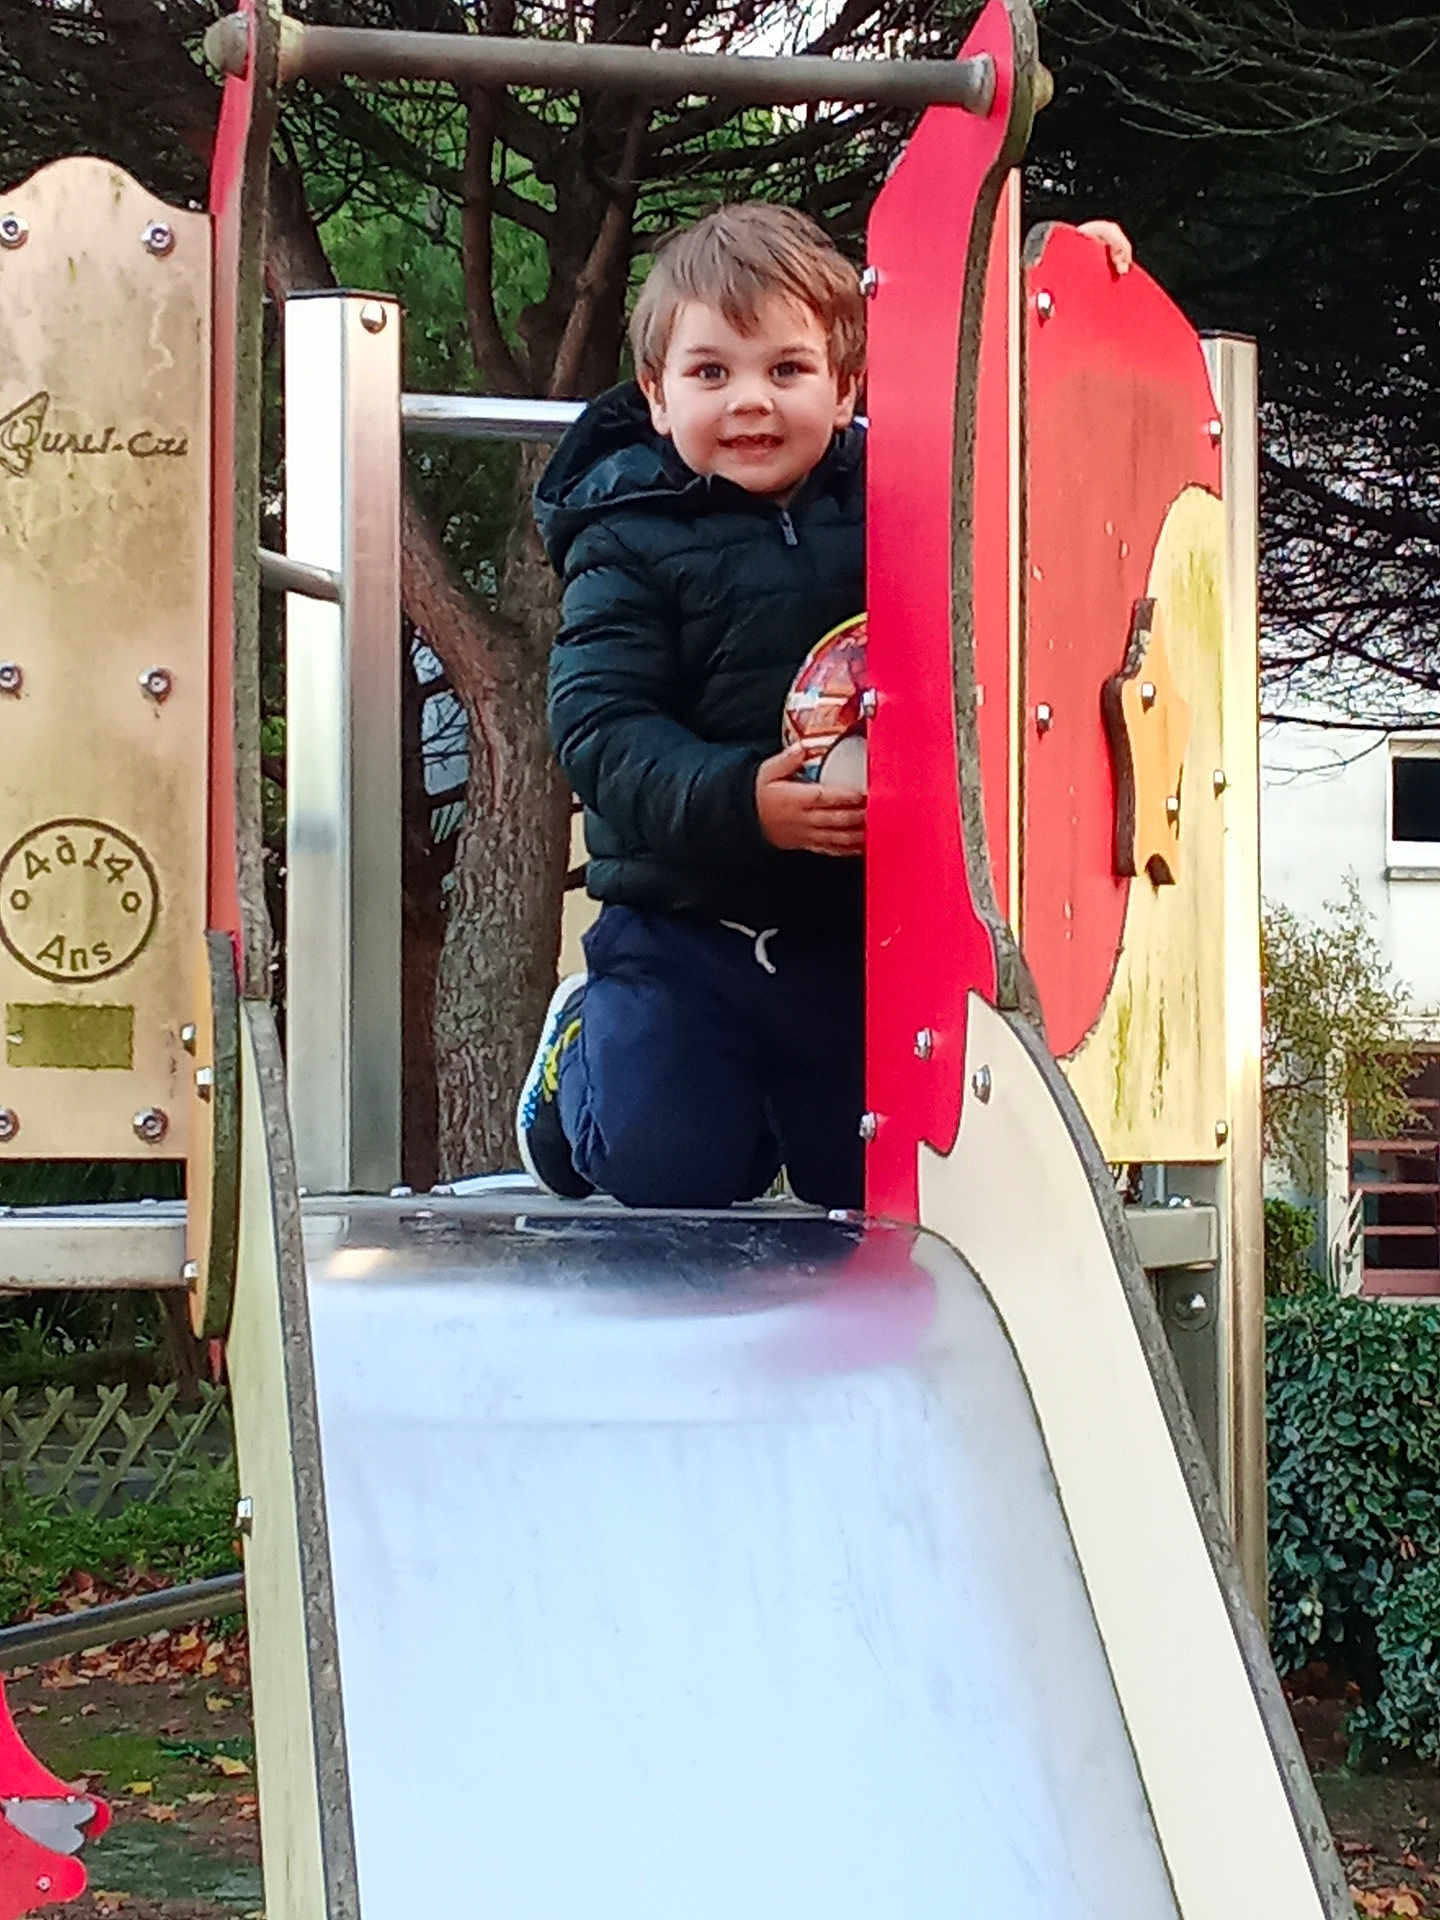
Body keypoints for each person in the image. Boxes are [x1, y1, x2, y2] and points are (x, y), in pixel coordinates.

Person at [517, 202, 1131, 1210]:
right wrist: (736, 799)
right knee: (666, 1170)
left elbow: (1013, 451)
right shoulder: (627, 537)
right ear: (658, 399)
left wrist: (1068, 303)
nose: (750, 400)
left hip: (854, 938)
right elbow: (599, 726)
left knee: (872, 1175)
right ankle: (579, 1059)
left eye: (786, 371)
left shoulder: (898, 502)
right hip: (680, 926)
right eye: (711, 373)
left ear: (847, 389)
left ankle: (745, 1112)